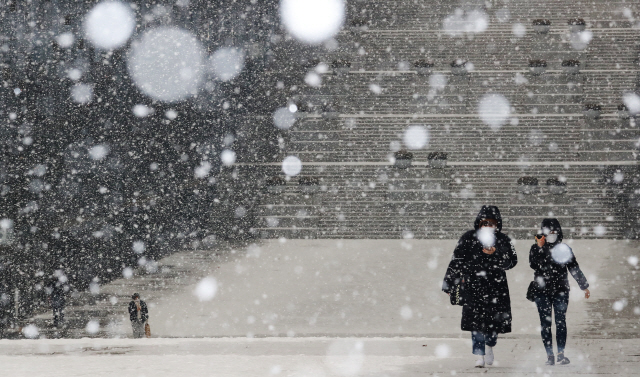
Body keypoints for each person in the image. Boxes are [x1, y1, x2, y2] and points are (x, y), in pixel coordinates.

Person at [442, 205, 517, 368]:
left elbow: (511, 262)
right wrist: (448, 283)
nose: (488, 226)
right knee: (475, 323)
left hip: (496, 287)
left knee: (493, 323)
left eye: (491, 223)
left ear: (497, 224)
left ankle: (489, 346)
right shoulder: (468, 238)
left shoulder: (504, 240)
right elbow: (456, 261)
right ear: (479, 223)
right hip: (473, 287)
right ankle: (479, 355)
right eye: (485, 223)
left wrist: (496, 253)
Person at [529, 218, 590, 365]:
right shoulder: (535, 248)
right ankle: (550, 355)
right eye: (547, 232)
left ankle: (561, 353)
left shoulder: (564, 249)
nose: (551, 234)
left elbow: (574, 268)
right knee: (545, 323)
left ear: (559, 233)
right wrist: (540, 247)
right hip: (541, 291)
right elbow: (534, 264)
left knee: (561, 322)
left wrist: (584, 285)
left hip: (560, 290)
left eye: (554, 232)